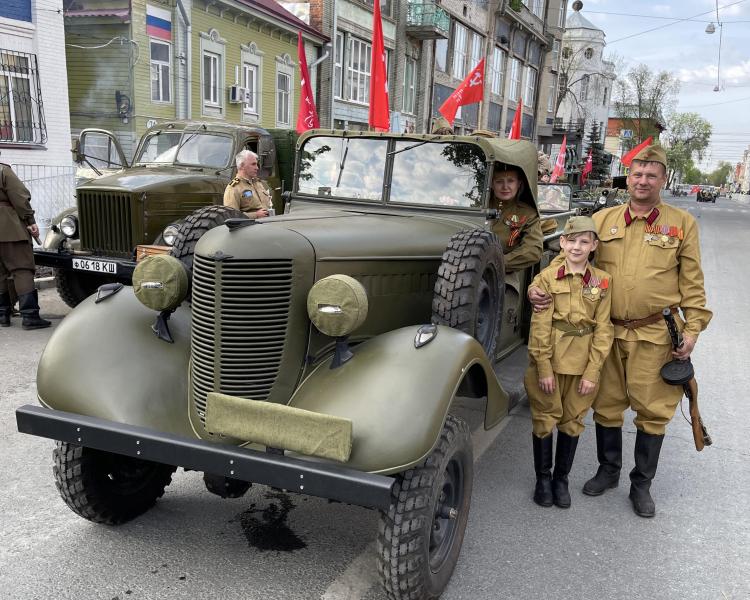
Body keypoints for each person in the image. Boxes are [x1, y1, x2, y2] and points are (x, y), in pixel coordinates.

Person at [528, 144, 712, 517]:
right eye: (637, 174)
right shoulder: (603, 219)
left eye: (651, 175)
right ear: (628, 178)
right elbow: (570, 258)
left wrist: (692, 331)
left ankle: (641, 484)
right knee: (606, 406)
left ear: (663, 179)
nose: (643, 181)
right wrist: (537, 288)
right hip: (605, 333)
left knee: (654, 409)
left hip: (655, 332)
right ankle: (608, 470)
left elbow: (693, 283)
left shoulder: (680, 223)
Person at [525, 216, 613, 508]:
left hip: (582, 364)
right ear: (562, 243)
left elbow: (603, 329)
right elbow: (539, 327)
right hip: (551, 360)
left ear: (594, 246)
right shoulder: (546, 279)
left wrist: (592, 371)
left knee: (573, 421)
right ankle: (543, 479)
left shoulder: (602, 282)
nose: (577, 247)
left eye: (584, 242)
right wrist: (544, 367)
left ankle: (561, 480)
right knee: (544, 419)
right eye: (571, 240)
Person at [0, 162, 50, 329]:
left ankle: (2, 314)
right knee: (22, 269)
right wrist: (30, 220)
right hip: (9, 228)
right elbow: (19, 197)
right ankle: (30, 316)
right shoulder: (3, 171)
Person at [489, 163, 543, 273]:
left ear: (519, 184)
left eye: (510, 181)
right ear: (491, 184)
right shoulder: (477, 207)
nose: (505, 187)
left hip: (504, 273)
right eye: (499, 181)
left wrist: (496, 263)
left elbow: (532, 251)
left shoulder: (527, 214)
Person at [223, 149, 272, 219]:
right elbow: (232, 216)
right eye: (253, 164)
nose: (257, 168)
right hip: (251, 227)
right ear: (242, 166)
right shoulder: (233, 188)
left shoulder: (258, 183)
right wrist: (255, 215)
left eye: (256, 164)